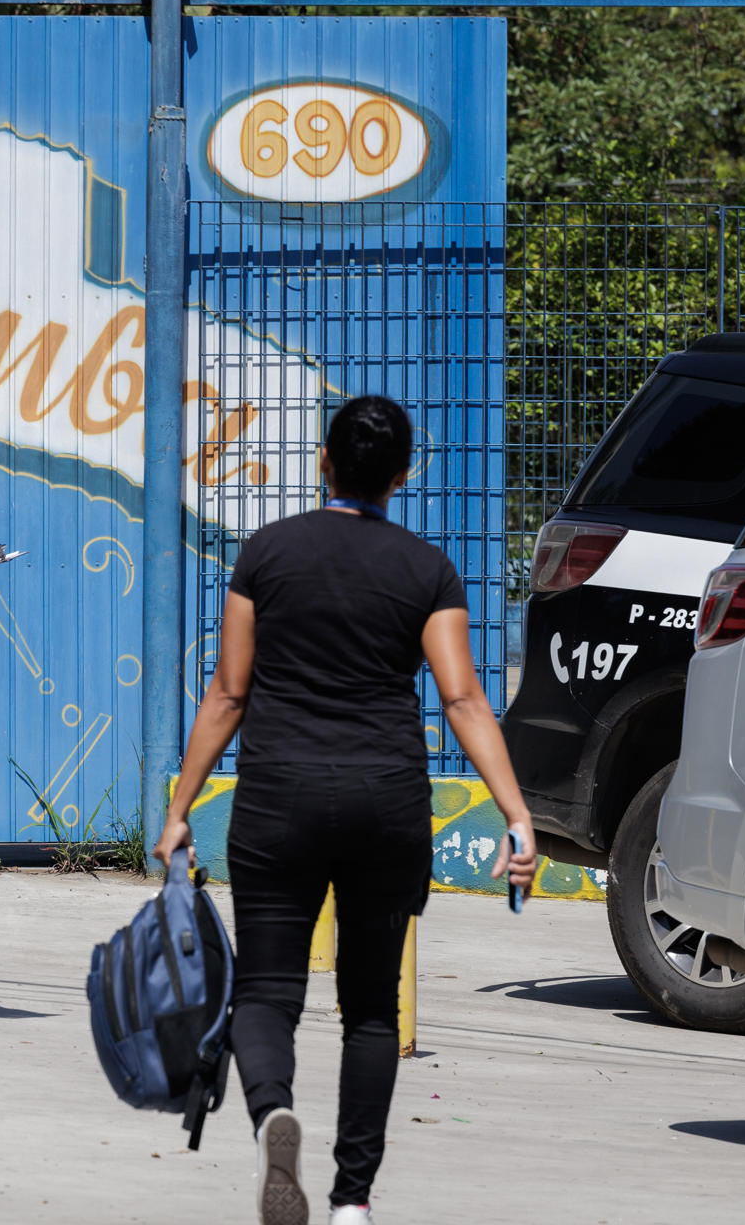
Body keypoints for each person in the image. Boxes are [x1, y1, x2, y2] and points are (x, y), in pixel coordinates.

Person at [149, 395, 538, 1225]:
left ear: (323, 463)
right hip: (385, 803)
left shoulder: (266, 554)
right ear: (400, 477)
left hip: (279, 797)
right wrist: (516, 815)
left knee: (265, 993)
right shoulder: (426, 569)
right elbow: (464, 697)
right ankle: (353, 1199)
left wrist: (180, 807)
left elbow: (227, 693)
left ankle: (272, 1118)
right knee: (370, 1009)